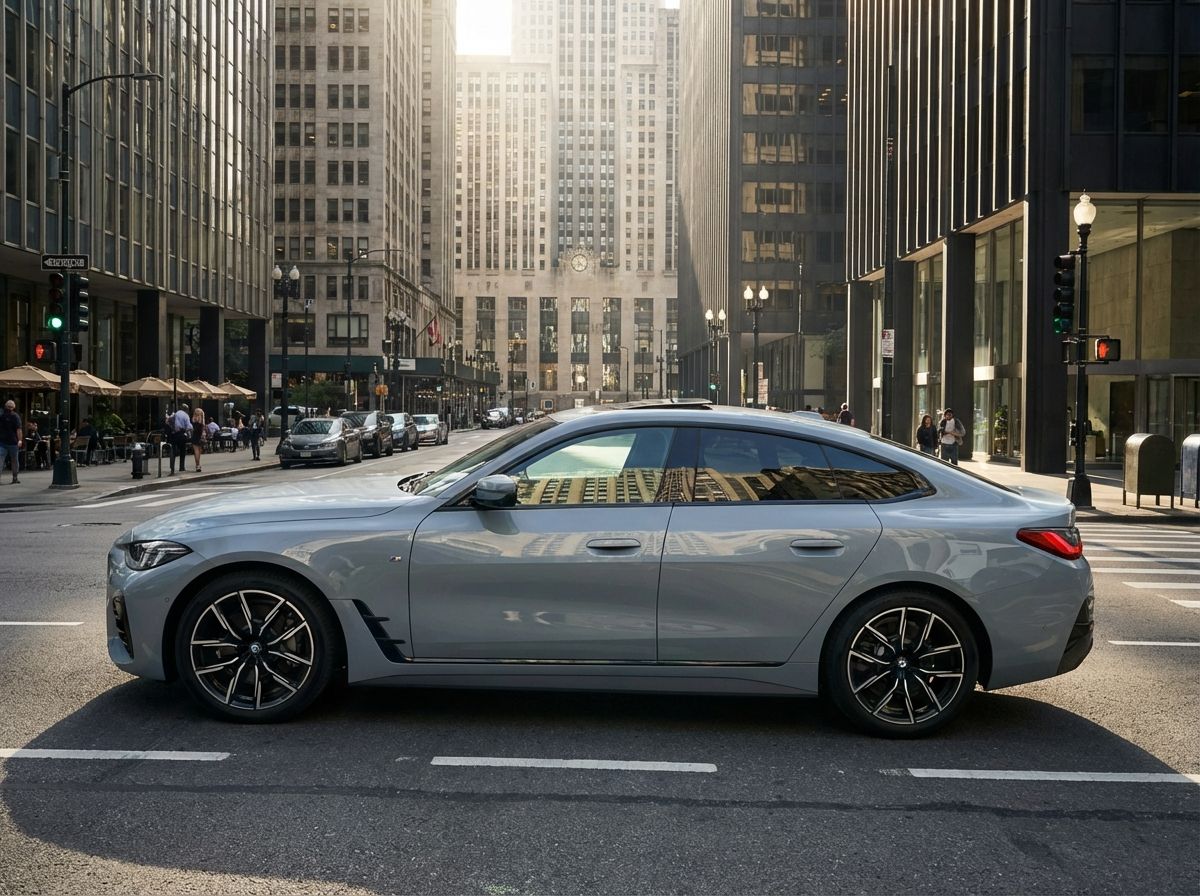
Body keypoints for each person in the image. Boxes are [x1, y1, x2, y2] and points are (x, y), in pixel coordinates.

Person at [0, 399, 22, 483]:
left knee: (1, 460)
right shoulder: (15, 416)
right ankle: (15, 478)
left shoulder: (1, 416)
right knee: (14, 461)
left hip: (2, 442)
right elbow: (18, 429)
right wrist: (19, 440)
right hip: (13, 442)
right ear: (13, 407)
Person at [169, 403, 192, 474]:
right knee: (182, 451)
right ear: (186, 409)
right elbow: (189, 427)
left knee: (173, 450)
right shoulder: (186, 415)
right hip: (181, 434)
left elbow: (168, 422)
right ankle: (181, 467)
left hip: (173, 434)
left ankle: (172, 468)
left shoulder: (175, 414)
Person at [191, 406, 208, 471]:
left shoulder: (193, 419)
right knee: (199, 451)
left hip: (194, 435)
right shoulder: (202, 420)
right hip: (200, 436)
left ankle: (197, 465)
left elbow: (191, 427)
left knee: (196, 451)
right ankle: (198, 465)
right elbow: (203, 427)